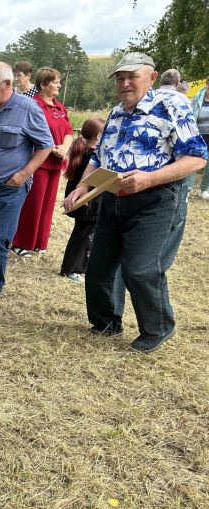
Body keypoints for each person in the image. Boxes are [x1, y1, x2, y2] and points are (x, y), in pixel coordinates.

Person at [64, 52, 207, 353]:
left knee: (140, 269)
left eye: (132, 77)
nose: (125, 83)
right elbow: (100, 156)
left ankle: (158, 327)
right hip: (113, 197)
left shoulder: (172, 105)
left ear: (152, 78)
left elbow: (196, 159)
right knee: (100, 266)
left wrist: (149, 179)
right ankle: (106, 323)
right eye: (120, 78)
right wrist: (81, 186)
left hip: (157, 199)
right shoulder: (116, 112)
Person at [0, 61, 53, 310]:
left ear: (7, 84)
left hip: (11, 186)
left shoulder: (28, 109)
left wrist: (23, 174)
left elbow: (45, 145)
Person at [11, 67, 74, 257]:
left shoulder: (59, 106)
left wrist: (63, 147)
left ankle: (40, 242)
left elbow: (69, 131)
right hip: (38, 161)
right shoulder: (32, 105)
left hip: (56, 163)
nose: (59, 85)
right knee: (33, 204)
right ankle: (21, 243)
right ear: (43, 84)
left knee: (47, 205)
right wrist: (51, 149)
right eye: (55, 82)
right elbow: (28, 132)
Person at [59, 117, 105, 282]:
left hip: (86, 204)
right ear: (100, 136)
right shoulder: (93, 157)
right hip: (87, 203)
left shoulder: (83, 151)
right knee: (81, 236)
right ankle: (70, 268)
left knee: (86, 235)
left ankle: (79, 267)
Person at [191, 75, 209, 199]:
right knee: (192, 161)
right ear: (206, 84)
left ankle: (204, 189)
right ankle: (187, 188)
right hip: (197, 133)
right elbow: (190, 113)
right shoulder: (197, 96)